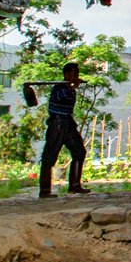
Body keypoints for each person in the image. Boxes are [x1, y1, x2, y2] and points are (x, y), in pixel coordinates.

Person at [37, 62, 92, 198]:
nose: (74, 77)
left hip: (68, 123)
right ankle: (44, 191)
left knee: (79, 151)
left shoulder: (69, 88)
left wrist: (73, 86)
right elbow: (64, 97)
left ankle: (74, 185)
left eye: (76, 74)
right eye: (72, 74)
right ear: (66, 74)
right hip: (57, 124)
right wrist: (73, 86)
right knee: (49, 157)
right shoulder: (59, 87)